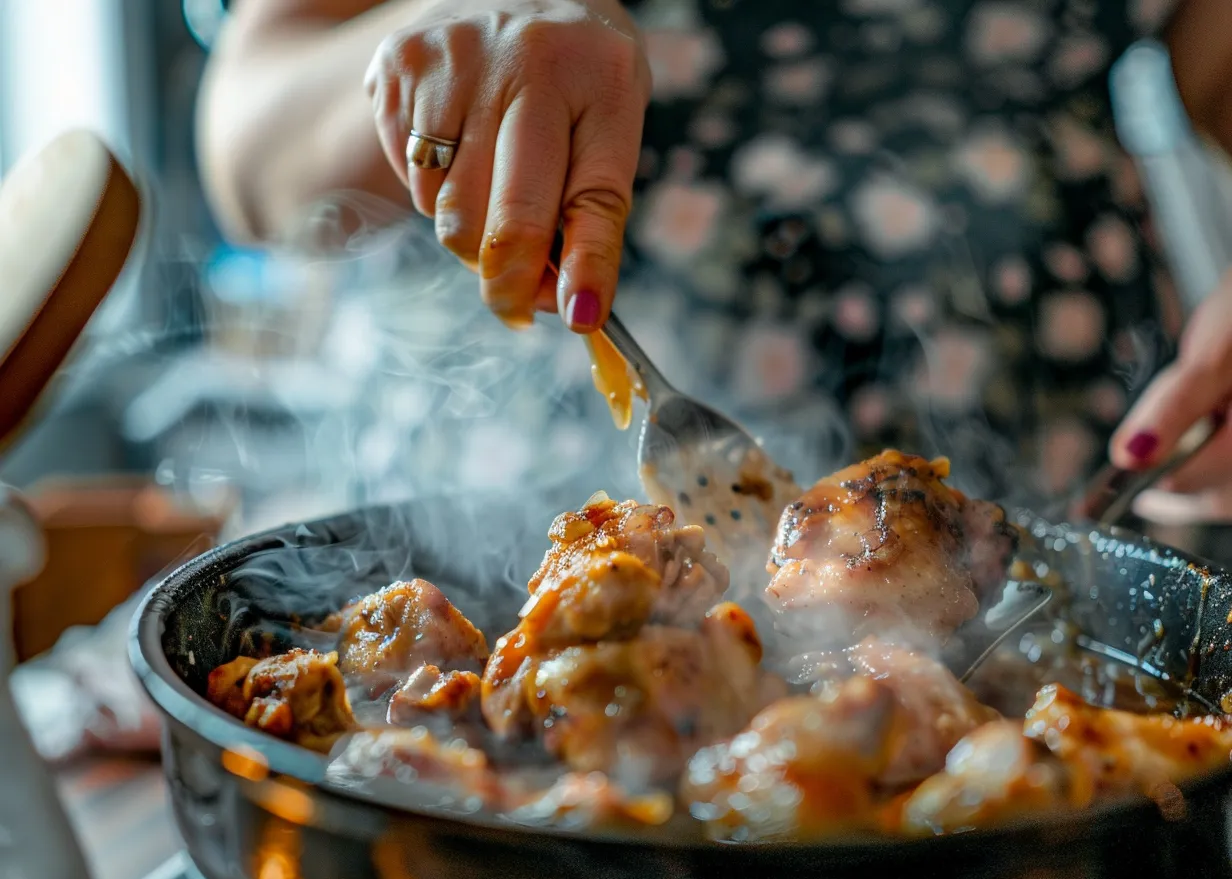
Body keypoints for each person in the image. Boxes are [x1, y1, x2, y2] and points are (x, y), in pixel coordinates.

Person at [196, 0, 1232, 514]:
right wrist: (445, 28)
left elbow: (1210, 62)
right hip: (516, 512)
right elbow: (246, 150)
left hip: (1061, 499)